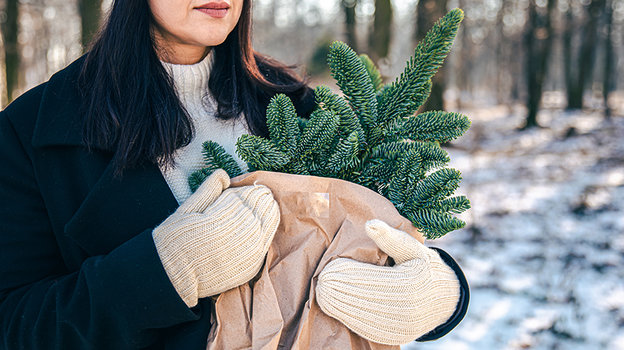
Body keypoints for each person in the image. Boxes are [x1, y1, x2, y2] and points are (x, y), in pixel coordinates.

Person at [0, 0, 468, 349]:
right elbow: (14, 322)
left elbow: (374, 232)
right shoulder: (34, 131)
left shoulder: (294, 107)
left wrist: (440, 292)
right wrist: (165, 271)